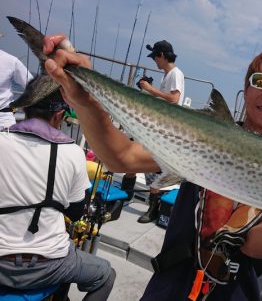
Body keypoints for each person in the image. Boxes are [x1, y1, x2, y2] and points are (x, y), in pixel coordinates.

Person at [42, 37, 262, 300]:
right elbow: (122, 157)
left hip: (235, 292)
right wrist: (84, 100)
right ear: (245, 88)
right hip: (171, 283)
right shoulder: (202, 133)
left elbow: (254, 244)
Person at [0, 83, 116, 301]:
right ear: (59, 115)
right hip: (50, 266)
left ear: (26, 109)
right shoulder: (73, 153)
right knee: (105, 274)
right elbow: (75, 213)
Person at [136, 40, 185, 223]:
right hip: (159, 128)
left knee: (156, 169)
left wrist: (150, 89)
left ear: (162, 55)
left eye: (155, 57)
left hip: (167, 131)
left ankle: (153, 210)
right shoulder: (167, 76)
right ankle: (152, 206)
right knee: (151, 168)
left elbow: (173, 99)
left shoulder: (175, 74)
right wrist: (148, 91)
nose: (154, 61)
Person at [0, 49, 34, 128]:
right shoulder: (11, 60)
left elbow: (32, 86)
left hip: (3, 121)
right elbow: (34, 87)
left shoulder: (11, 61)